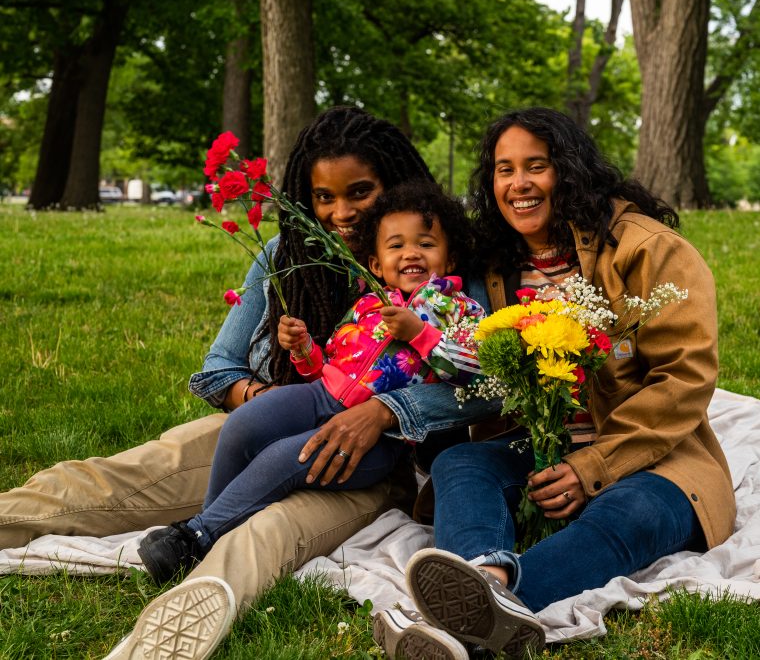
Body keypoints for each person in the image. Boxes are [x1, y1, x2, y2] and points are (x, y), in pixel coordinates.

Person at [0, 107, 498, 660]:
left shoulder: (446, 269)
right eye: (324, 197)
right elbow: (219, 368)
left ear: (394, 185)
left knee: (271, 529)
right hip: (281, 418)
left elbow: (486, 383)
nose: (341, 212)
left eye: (360, 191)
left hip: (377, 460)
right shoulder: (283, 257)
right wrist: (273, 404)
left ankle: (184, 615)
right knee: (122, 475)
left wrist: (383, 411)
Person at [375, 108, 737, 660]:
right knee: (461, 466)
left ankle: (482, 611)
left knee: (629, 514)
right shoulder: (496, 260)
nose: (517, 184)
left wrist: (594, 467)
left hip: (650, 455)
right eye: (503, 170)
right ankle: (482, 579)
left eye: (535, 166)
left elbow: (684, 380)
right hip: (543, 445)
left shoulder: (645, 248)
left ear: (568, 170)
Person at [138, 181, 486, 583]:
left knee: (288, 456)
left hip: (382, 440)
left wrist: (420, 334)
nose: (411, 253)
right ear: (376, 264)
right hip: (321, 395)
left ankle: (197, 536)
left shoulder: (461, 310)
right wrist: (303, 348)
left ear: (450, 255)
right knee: (243, 424)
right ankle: (208, 532)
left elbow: (466, 370)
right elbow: (326, 365)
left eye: (426, 244)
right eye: (396, 246)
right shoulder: (369, 300)